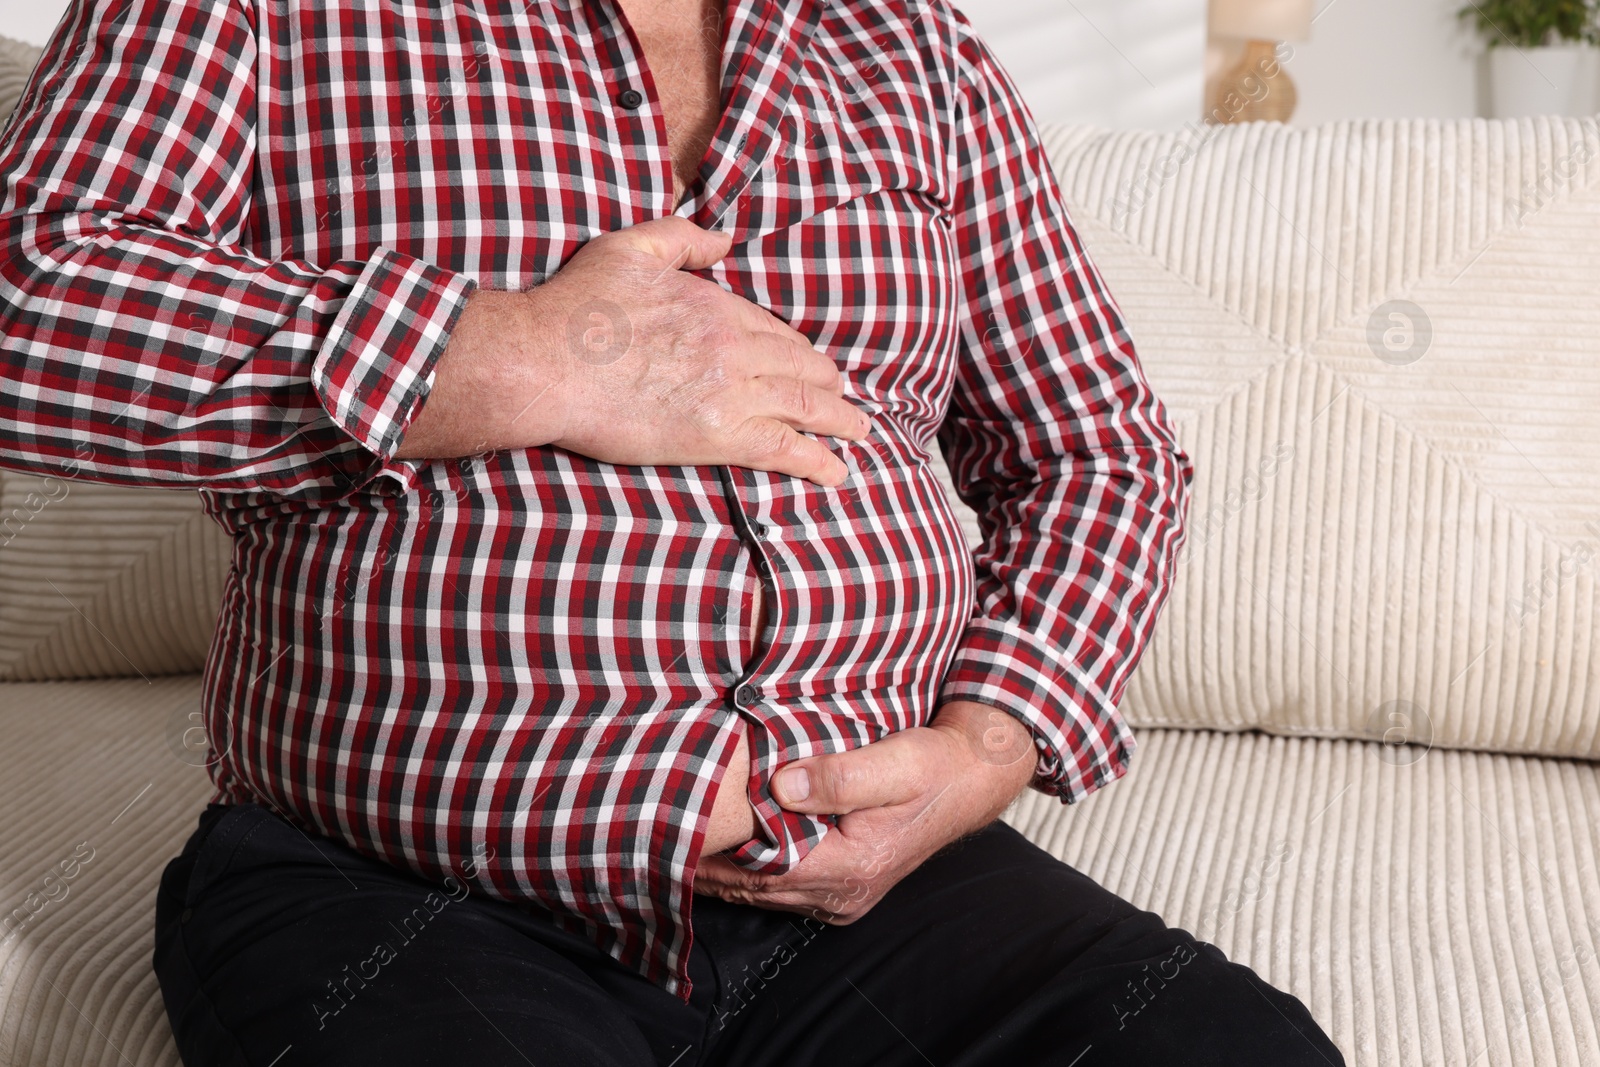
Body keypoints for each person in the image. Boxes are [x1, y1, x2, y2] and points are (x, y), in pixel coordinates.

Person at [0, 0, 1344, 1063]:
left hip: (870, 891)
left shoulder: (911, 46)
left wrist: (986, 751)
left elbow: (1095, 448)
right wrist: (512, 357)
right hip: (399, 891)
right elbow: (33, 306)